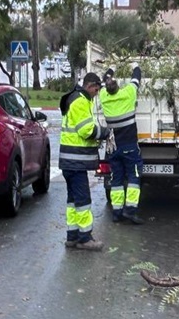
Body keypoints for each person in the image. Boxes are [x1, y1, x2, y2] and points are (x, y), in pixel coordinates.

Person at [59, 72, 110, 250]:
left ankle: (72, 236)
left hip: (69, 161)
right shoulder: (80, 101)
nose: (97, 92)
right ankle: (85, 238)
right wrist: (105, 132)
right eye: (96, 89)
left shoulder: (76, 98)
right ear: (89, 86)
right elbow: (86, 130)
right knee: (83, 200)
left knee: (73, 201)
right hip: (75, 161)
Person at [98, 65, 144, 224]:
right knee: (134, 177)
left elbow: (104, 81)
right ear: (118, 88)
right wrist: (135, 66)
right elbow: (136, 78)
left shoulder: (103, 96)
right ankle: (130, 211)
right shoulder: (128, 94)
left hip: (114, 147)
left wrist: (111, 68)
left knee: (116, 179)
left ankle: (117, 213)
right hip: (130, 146)